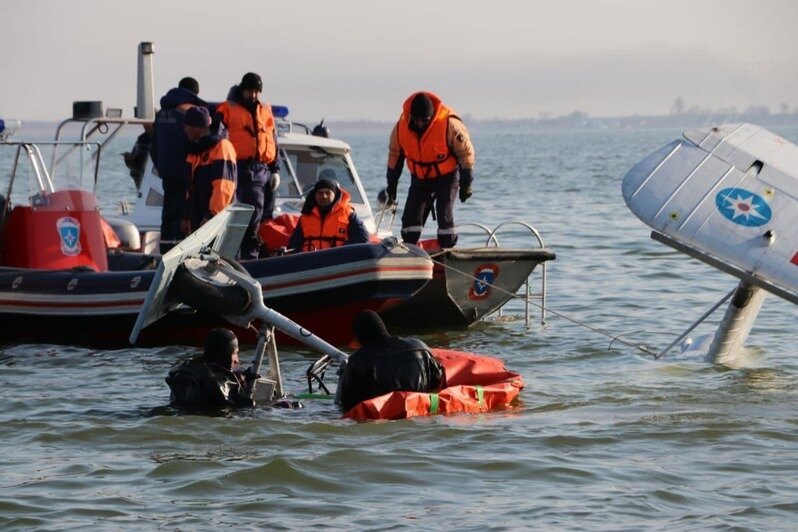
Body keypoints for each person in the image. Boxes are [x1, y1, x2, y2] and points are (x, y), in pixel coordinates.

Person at [385, 91, 476, 248]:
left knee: (444, 216)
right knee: (410, 220)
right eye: (417, 120)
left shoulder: (449, 124)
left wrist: (466, 182)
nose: (420, 124)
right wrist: (392, 185)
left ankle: (447, 251)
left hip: (446, 177)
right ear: (411, 116)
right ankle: (410, 250)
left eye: (424, 120)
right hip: (420, 179)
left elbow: (466, 153)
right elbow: (395, 156)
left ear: (431, 116)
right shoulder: (401, 128)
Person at [215, 72, 281, 260]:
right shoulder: (226, 109)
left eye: (256, 92)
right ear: (242, 90)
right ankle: (229, 259)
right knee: (233, 217)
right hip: (234, 170)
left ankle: (251, 259)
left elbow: (273, 142)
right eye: (249, 91)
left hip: (259, 171)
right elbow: (216, 138)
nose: (253, 95)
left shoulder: (265, 111)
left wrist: (275, 169)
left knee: (255, 218)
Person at [337, 310, 445, 412]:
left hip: (381, 419)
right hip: (420, 412)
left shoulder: (357, 360)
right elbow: (437, 380)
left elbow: (348, 404)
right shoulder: (419, 346)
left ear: (359, 335)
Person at [150, 77, 206, 253]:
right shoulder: (189, 112)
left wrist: (161, 166)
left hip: (167, 173)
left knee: (168, 215)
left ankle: (165, 252)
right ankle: (183, 254)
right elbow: (197, 143)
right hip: (185, 173)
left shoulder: (160, 114)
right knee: (185, 216)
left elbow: (154, 146)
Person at [165, 327, 256, 408]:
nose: (237, 360)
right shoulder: (216, 381)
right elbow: (226, 405)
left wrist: (242, 377)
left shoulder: (187, 366)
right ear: (224, 354)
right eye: (234, 353)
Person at [182, 107, 237, 233]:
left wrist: (212, 215)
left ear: (197, 127)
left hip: (217, 222)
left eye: (187, 126)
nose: (185, 130)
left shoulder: (222, 147)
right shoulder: (195, 151)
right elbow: (190, 190)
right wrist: (186, 216)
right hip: (199, 219)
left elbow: (223, 187)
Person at [287, 172, 370, 252]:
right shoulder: (305, 217)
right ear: (315, 195)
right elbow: (294, 244)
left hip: (338, 261)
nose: (324, 196)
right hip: (311, 261)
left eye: (328, 193)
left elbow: (363, 237)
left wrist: (343, 250)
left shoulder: (348, 214)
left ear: (335, 194)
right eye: (320, 193)